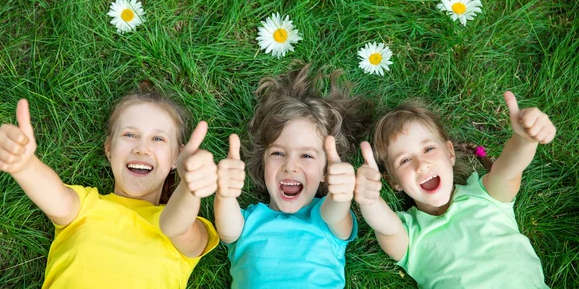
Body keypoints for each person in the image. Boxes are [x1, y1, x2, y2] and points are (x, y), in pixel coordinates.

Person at [0, 88, 220, 288]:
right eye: (130, 134)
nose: (141, 148)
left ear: (176, 157)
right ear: (109, 149)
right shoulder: (86, 204)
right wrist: (25, 165)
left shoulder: (185, 225)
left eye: (158, 139)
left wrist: (190, 189)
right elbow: (55, 197)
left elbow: (176, 226)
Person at [355, 91, 555, 288]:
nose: (421, 164)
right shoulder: (410, 237)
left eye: (428, 149)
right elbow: (385, 227)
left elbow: (510, 169)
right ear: (393, 181)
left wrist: (525, 140)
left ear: (450, 153)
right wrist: (370, 200)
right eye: (405, 160)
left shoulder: (485, 195)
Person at [214, 64, 372, 288]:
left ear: (325, 172)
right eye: (278, 153)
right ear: (263, 162)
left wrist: (341, 194)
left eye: (306, 155)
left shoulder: (325, 218)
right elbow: (227, 231)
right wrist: (225, 194)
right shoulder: (248, 220)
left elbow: (336, 213)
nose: (290, 166)